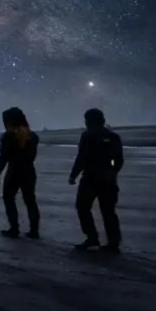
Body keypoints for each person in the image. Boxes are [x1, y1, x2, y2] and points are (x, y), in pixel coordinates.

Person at [69, 108, 124, 253]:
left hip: (91, 178)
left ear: (88, 121)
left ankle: (92, 237)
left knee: (82, 207)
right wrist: (112, 170)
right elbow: (118, 159)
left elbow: (82, 158)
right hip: (109, 179)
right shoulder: (113, 136)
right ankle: (113, 242)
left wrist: (73, 175)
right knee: (108, 211)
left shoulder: (88, 136)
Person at [0, 107, 40, 239]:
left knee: (9, 198)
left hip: (14, 170)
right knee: (30, 200)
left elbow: (4, 156)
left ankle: (14, 228)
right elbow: (32, 156)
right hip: (29, 170)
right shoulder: (33, 136)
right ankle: (34, 230)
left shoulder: (8, 136)